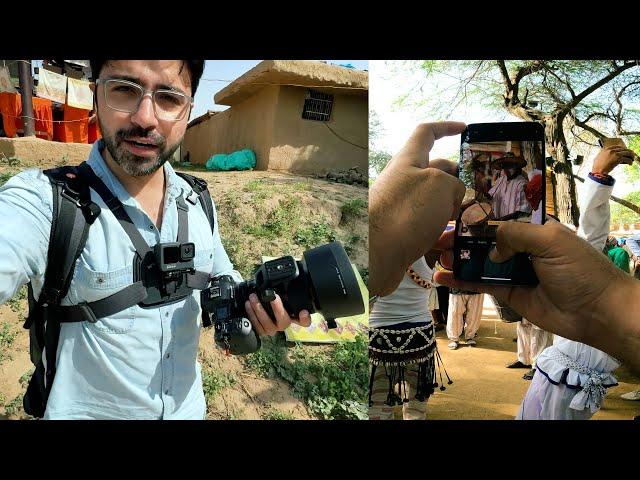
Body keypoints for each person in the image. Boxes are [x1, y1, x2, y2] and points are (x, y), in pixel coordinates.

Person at [0, 60, 311, 420]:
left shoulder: (198, 202)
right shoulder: (45, 202)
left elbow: (223, 277)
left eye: (169, 97)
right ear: (95, 95)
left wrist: (257, 307)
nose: (145, 118)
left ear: (188, 109)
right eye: (124, 89)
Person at [370, 121, 640, 375]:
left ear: (516, 166)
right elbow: (490, 197)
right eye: (506, 165)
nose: (508, 168)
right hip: (493, 231)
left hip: (515, 231)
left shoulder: (523, 183)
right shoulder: (498, 184)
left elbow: (531, 215)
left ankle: (524, 357)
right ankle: (520, 356)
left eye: (511, 165)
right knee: (519, 315)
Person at [516, 145, 634, 419]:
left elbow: (589, 239)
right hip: (557, 373)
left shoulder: (584, 272)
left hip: (571, 380)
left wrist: (598, 176)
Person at [368, 257, 439, 420]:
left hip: (380, 338)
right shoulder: (431, 242)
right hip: (420, 338)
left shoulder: (375, 243)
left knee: (377, 406)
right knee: (417, 408)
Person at [487, 154, 532, 222]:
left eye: (509, 166)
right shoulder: (500, 180)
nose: (506, 169)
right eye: (504, 166)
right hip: (499, 224)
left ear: (516, 166)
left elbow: (522, 211)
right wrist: (483, 193)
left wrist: (501, 219)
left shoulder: (522, 184)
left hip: (513, 227)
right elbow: (491, 195)